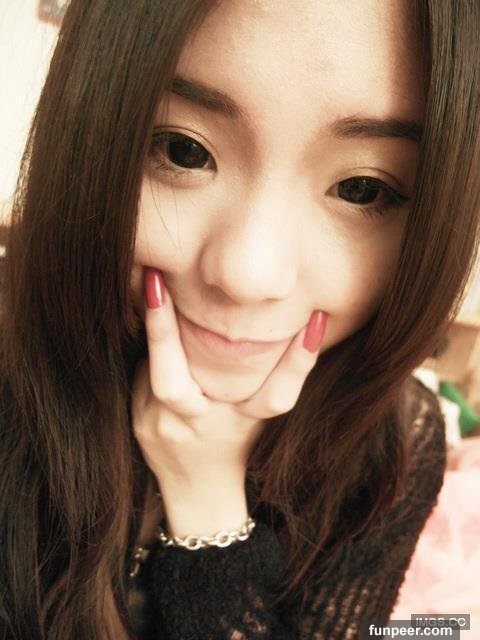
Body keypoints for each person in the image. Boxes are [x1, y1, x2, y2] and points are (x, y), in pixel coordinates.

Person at [0, 1, 478, 638]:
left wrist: (206, 500)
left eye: (361, 188)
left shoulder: (392, 447)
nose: (251, 275)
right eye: (184, 151)